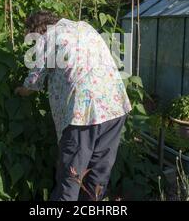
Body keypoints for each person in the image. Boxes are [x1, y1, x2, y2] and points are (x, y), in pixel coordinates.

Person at [15, 10, 131, 201]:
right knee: (98, 174)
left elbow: (34, 81)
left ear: (37, 29)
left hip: (83, 112)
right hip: (115, 104)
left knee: (71, 178)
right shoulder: (84, 27)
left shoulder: (49, 36)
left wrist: (20, 90)